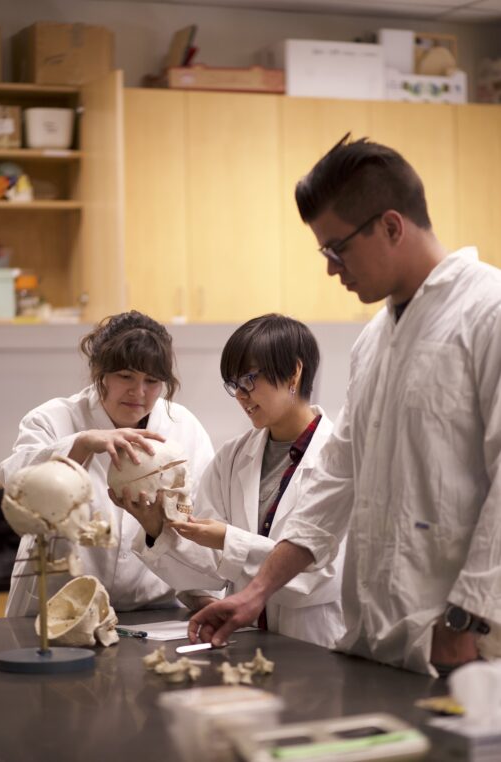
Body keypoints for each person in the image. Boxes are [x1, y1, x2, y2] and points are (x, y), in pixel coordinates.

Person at [186, 134, 501, 676]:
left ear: (392, 226)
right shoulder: (374, 340)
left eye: (337, 248)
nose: (332, 268)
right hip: (375, 632)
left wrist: (465, 624)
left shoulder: (487, 314)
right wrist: (257, 591)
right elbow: (334, 482)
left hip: (463, 644)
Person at [120, 314, 346, 648]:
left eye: (250, 380)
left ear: (294, 372)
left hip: (317, 645)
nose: (241, 395)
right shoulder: (232, 458)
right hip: (245, 640)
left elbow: (322, 578)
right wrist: (157, 530)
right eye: (234, 384)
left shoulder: (341, 458)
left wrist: (229, 540)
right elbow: (208, 575)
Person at [0, 310, 214, 616]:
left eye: (152, 381)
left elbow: (203, 518)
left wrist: (201, 594)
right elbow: (14, 482)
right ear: (101, 371)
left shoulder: (183, 428)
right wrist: (81, 444)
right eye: (125, 376)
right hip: (58, 607)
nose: (138, 392)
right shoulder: (55, 418)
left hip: (153, 610)